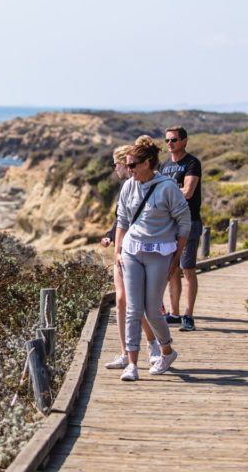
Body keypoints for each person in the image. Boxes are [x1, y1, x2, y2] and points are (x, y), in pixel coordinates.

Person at [114, 136, 191, 381]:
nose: (129, 170)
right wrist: (118, 250)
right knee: (133, 309)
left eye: (133, 165)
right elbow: (122, 220)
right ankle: (132, 364)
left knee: (152, 311)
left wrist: (176, 259)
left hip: (159, 253)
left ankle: (166, 351)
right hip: (132, 251)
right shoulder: (129, 186)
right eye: (127, 165)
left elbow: (185, 223)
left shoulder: (167, 187)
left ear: (147, 163)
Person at [101, 145, 161, 370]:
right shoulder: (127, 187)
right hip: (122, 249)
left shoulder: (144, 186)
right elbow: (121, 220)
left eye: (115, 164)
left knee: (135, 303)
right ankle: (125, 353)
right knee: (121, 300)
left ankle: (153, 342)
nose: (115, 169)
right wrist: (111, 237)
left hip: (139, 250)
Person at [160, 126, 202, 332]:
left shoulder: (192, 163)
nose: (170, 143)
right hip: (169, 224)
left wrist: (167, 193)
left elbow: (188, 192)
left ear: (184, 141)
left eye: (174, 140)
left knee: (188, 269)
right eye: (167, 140)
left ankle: (188, 315)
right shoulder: (165, 165)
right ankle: (174, 313)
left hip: (189, 222)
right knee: (172, 269)